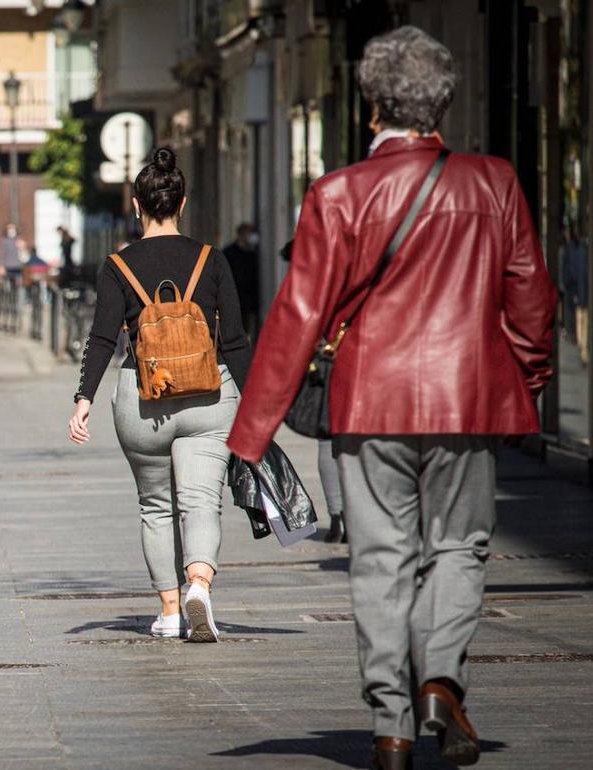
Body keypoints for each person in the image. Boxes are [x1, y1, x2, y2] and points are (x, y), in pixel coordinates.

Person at [226, 27, 556, 770]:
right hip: (465, 403)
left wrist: (251, 433)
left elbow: (297, 318)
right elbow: (532, 300)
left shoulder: (338, 194)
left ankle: (393, 726)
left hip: (369, 406)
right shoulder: (494, 182)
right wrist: (523, 380)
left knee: (379, 560)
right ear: (442, 101)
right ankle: (441, 674)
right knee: (459, 547)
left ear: (372, 106)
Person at [67, 146, 253, 644]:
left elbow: (103, 338)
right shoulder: (212, 261)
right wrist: (258, 401)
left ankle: (170, 611)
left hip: (142, 399)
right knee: (200, 501)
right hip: (209, 396)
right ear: (183, 203)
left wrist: (83, 400)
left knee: (155, 506)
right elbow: (234, 339)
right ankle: (199, 584)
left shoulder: (117, 266)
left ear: (136, 205)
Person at [221, 223, 261, 340]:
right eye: (248, 233)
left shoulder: (252, 255)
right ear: (241, 235)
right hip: (234, 299)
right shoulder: (229, 253)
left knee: (247, 331)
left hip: (248, 303)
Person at [560, 222, 589, 366]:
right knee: (582, 320)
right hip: (582, 292)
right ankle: (583, 349)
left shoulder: (577, 251)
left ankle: (583, 348)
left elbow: (576, 274)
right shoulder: (579, 252)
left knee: (581, 319)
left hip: (580, 292)